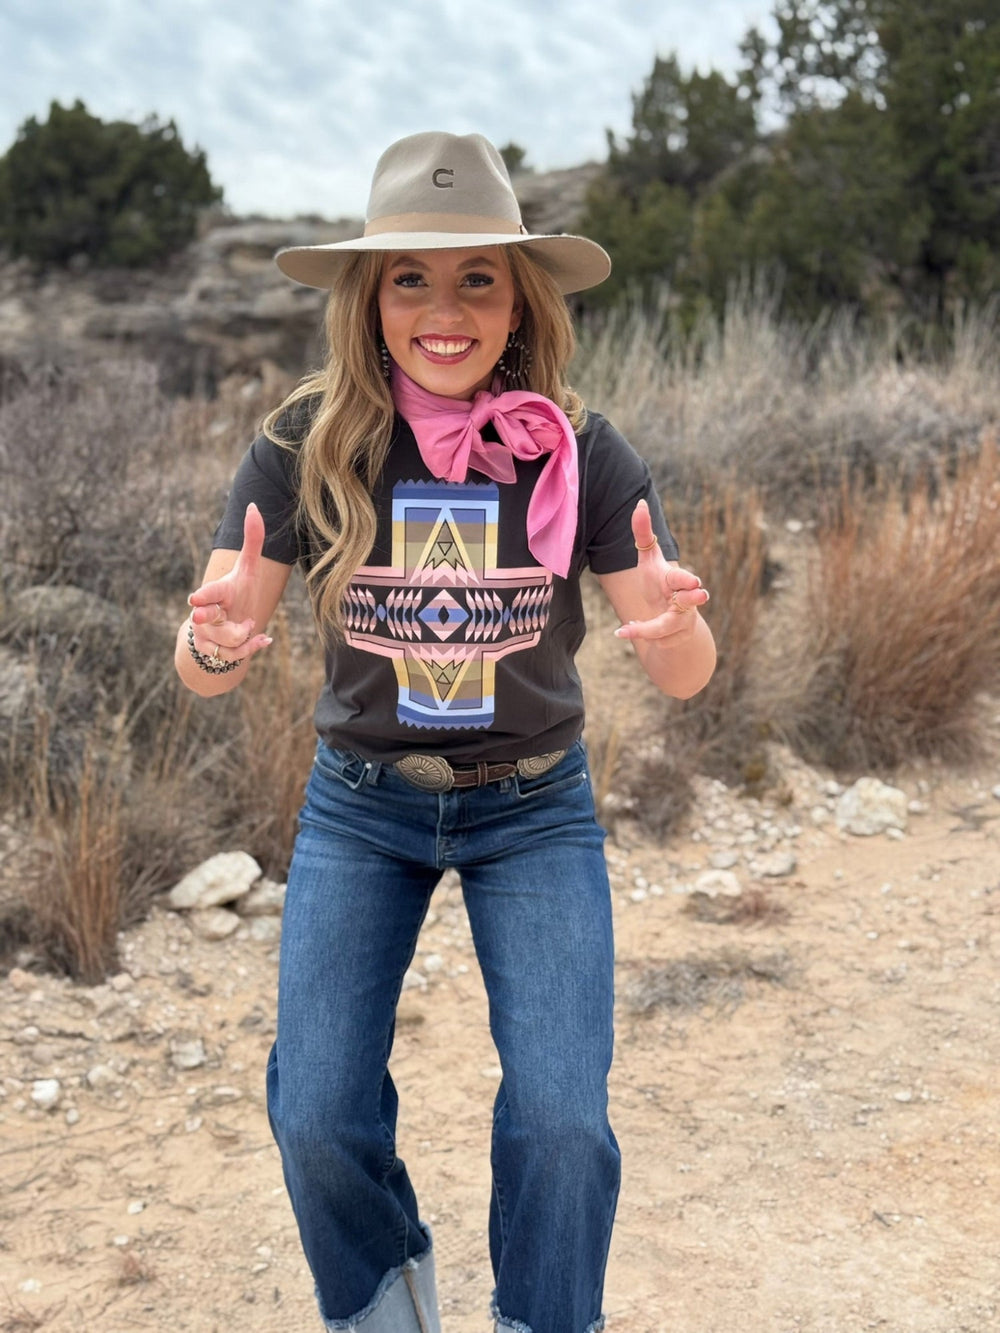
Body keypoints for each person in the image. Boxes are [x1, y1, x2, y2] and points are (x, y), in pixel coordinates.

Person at [175, 131, 715, 1333]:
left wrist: (675, 629)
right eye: (410, 278)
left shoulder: (578, 449)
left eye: (478, 277)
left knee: (564, 1120)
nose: (444, 310)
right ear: (369, 300)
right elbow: (206, 663)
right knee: (316, 1111)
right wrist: (213, 640)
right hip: (361, 807)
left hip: (534, 807)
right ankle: (386, 1308)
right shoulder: (306, 442)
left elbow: (683, 673)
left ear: (520, 300)